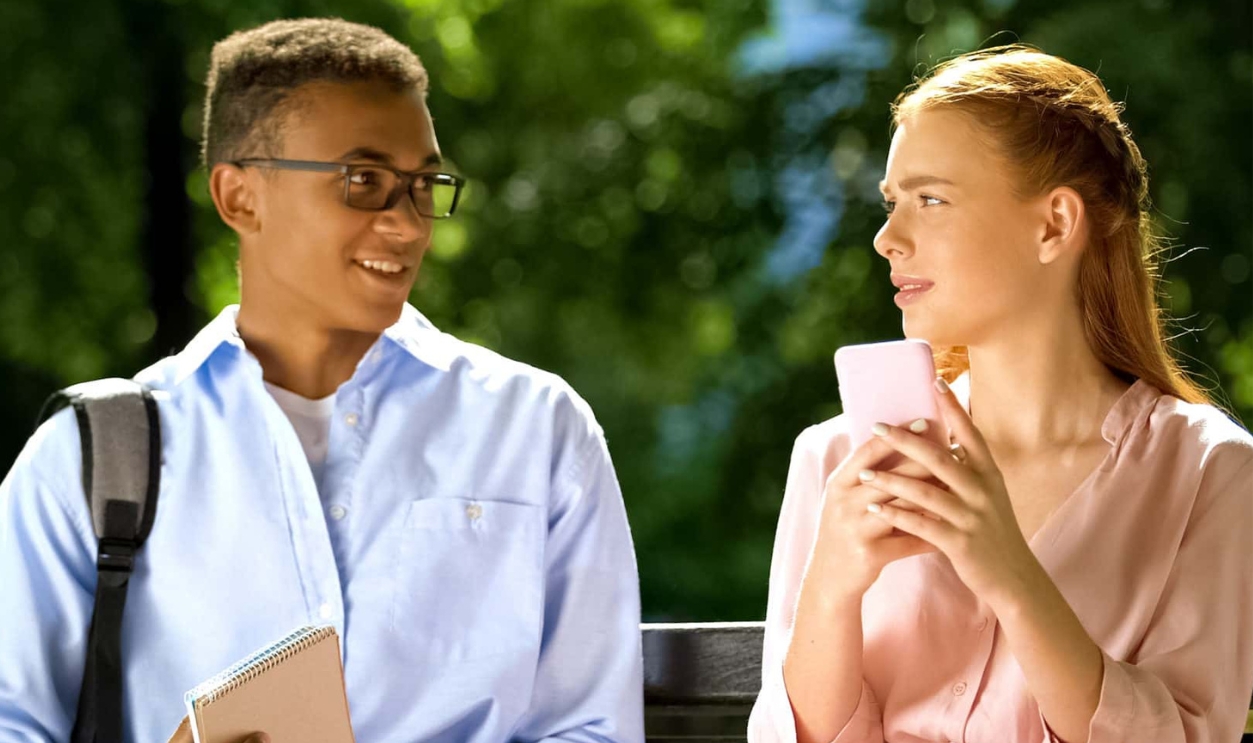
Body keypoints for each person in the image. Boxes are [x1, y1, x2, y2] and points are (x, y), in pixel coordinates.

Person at [0, 18, 643, 743]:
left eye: (423, 185)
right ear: (240, 197)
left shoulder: (536, 428)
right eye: (363, 181)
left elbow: (594, 728)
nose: (409, 226)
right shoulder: (88, 461)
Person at [747, 45, 1253, 743]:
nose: (886, 238)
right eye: (891, 203)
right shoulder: (837, 461)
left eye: (930, 199)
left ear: (1053, 225)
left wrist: (1011, 576)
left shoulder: (1211, 473)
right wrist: (830, 589)